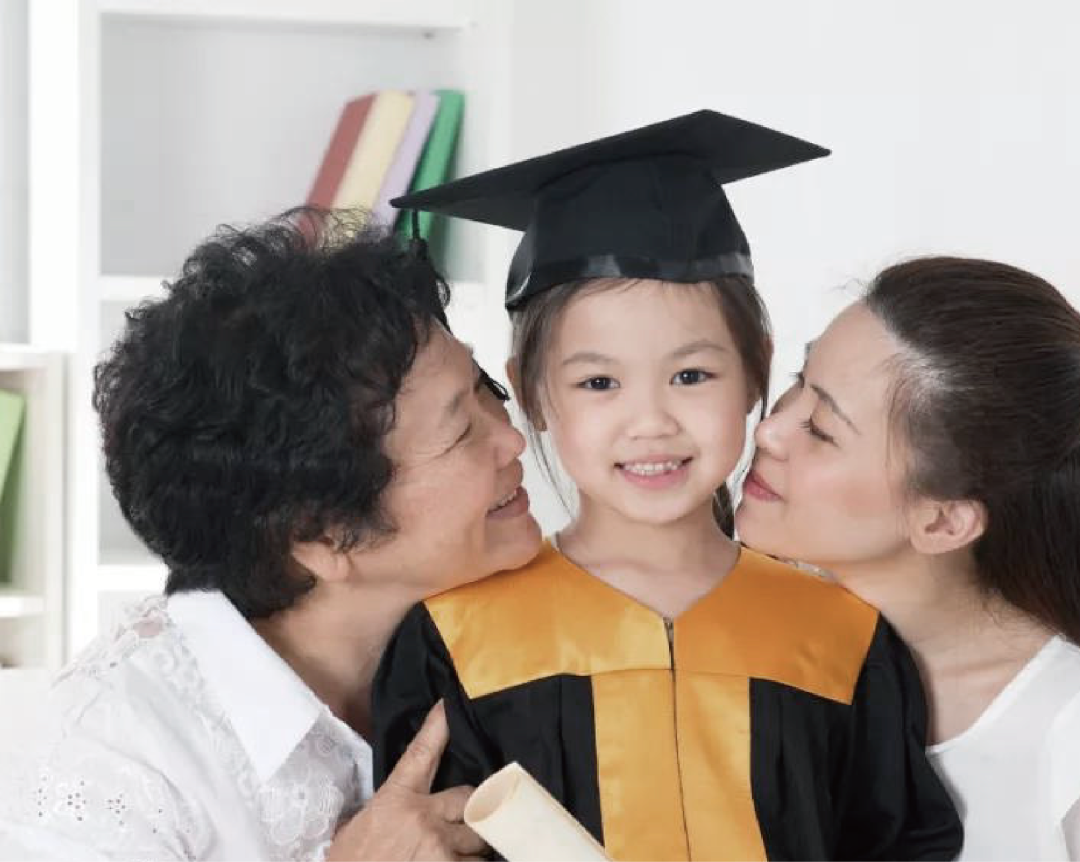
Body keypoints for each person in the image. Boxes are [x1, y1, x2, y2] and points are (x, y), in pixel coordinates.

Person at [371, 112, 963, 862]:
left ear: (756, 369)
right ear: (531, 393)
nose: (650, 422)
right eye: (598, 382)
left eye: (691, 375)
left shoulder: (843, 637)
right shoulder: (457, 638)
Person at [0, 209, 542, 861]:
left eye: (486, 391)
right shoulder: (104, 767)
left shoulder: (504, 627)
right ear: (324, 535)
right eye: (460, 433)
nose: (512, 440)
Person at [735, 255, 1080, 862]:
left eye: (821, 428)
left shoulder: (1063, 735)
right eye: (798, 378)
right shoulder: (745, 641)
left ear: (943, 521)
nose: (770, 430)